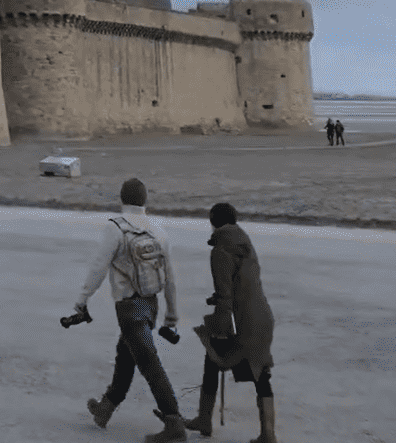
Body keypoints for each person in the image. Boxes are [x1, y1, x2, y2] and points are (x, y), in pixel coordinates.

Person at [74, 177, 187, 441]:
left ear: (121, 200)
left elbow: (98, 268)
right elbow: (169, 277)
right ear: (145, 200)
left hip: (128, 308)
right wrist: (171, 315)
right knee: (126, 354)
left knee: (148, 362)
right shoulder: (159, 229)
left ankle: (174, 423)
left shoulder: (116, 228)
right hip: (151, 305)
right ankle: (106, 408)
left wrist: (82, 299)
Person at [186, 203, 279, 443]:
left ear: (213, 222)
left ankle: (204, 419)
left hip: (242, 321)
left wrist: (219, 328)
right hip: (263, 317)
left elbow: (225, 294)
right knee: (261, 372)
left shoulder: (221, 249)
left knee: (213, 355)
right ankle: (268, 433)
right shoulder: (246, 244)